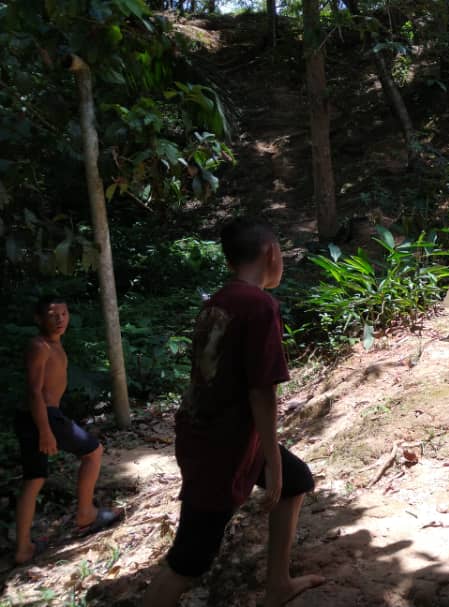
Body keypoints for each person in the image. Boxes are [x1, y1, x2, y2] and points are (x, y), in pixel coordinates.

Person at [143, 218, 323, 607]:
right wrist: (271, 456)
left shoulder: (219, 300)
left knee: (296, 480)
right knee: (190, 558)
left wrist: (271, 457)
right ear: (270, 253)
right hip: (221, 447)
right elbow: (261, 388)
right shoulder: (258, 304)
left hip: (215, 434)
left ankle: (278, 585)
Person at [13, 296, 122, 565]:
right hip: (43, 416)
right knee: (93, 451)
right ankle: (85, 514)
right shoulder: (39, 346)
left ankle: (23, 548)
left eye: (64, 313)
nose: (60, 319)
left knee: (35, 478)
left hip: (35, 417)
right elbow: (34, 392)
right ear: (39, 319)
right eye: (53, 314)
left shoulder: (55, 345)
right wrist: (45, 430)